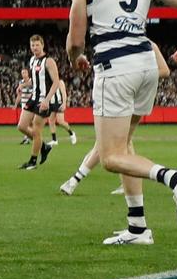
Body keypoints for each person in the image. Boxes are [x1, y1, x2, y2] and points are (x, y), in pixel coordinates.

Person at [66, 0, 177, 246]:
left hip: (115, 65)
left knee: (111, 157)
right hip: (146, 63)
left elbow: (75, 36)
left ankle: (174, 177)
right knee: (125, 145)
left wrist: (75, 58)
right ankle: (138, 229)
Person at [58, 42, 168, 201]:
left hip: (130, 97)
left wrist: (136, 77)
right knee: (124, 143)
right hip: (123, 96)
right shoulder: (120, 44)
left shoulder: (149, 45)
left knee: (107, 144)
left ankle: (74, 180)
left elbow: (165, 71)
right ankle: (130, 189)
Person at [18, 35, 59, 170]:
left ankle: (33, 161)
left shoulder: (48, 61)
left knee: (36, 131)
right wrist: (24, 85)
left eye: (37, 45)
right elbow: (35, 80)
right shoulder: (32, 60)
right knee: (22, 126)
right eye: (32, 45)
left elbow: (56, 82)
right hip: (33, 98)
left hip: (44, 100)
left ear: (42, 45)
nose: (34, 48)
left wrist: (47, 100)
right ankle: (44, 146)